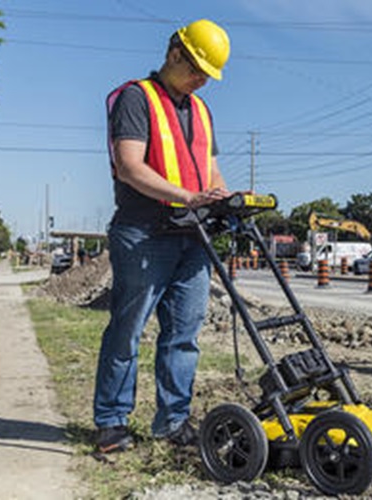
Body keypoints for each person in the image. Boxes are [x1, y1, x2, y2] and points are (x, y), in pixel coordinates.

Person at [93, 19, 231, 453]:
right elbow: (130, 166)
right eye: (197, 69)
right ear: (175, 54)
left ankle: (172, 422)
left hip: (193, 239)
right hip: (144, 233)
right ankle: (112, 423)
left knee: (184, 334)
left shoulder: (201, 109)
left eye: (208, 74)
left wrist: (223, 198)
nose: (202, 80)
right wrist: (188, 197)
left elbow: (209, 170)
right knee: (127, 331)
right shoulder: (136, 98)